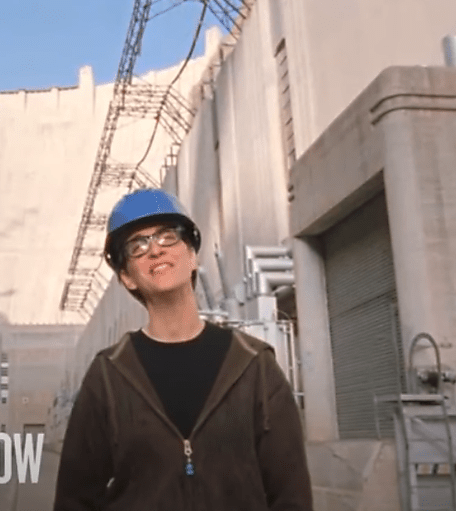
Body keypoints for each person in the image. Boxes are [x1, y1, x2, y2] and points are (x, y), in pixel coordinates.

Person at [53, 188, 312, 510]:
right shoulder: (109, 374)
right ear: (127, 277)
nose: (155, 249)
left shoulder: (253, 363)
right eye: (137, 246)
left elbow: (291, 494)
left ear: (192, 257)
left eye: (168, 236)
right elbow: (75, 499)